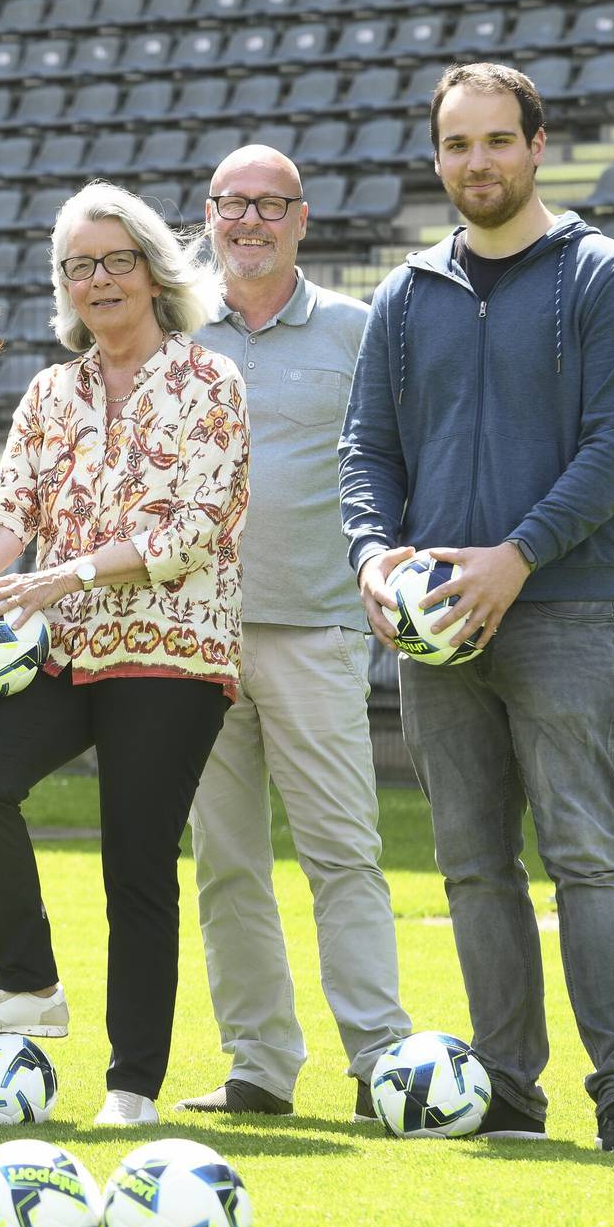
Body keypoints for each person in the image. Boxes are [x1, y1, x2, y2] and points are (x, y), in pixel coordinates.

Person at [341, 63, 614, 1153]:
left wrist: (516, 558)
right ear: (437, 160)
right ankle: (509, 1091)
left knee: (586, 854)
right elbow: (366, 453)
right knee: (475, 863)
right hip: (433, 627)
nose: (475, 161)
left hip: (561, 607)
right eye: (456, 144)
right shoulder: (405, 294)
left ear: (533, 146)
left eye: (495, 140)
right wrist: (377, 558)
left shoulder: (602, 276)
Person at [0, 181, 247, 1129]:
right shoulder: (51, 390)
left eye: (115, 261)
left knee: (136, 863)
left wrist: (63, 577)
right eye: (78, 266)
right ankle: (29, 984)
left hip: (173, 650)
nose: (97, 280)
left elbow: (194, 529)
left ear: (154, 271)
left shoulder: (210, 382)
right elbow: (6, 514)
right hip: (66, 648)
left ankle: (132, 1088)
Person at [175, 146, 411, 1122]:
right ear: (210, 213)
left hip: (316, 631)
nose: (251, 222)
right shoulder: (179, 334)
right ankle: (260, 1067)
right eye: (234, 205)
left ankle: (384, 1063)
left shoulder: (356, 330)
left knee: (343, 854)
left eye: (271, 205)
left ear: (302, 218)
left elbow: (398, 457)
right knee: (225, 863)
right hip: (196, 641)